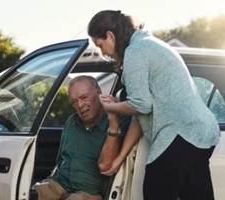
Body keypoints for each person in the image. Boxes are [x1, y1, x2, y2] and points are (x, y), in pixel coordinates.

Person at [87, 10, 221, 200]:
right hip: (202, 133)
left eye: (101, 45)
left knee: (155, 191)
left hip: (180, 134)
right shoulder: (149, 44)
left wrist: (110, 107)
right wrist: (119, 158)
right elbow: (140, 114)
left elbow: (140, 105)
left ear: (110, 35)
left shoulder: (135, 52)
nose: (104, 53)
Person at [33, 75, 131, 200]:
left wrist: (113, 123)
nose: (80, 105)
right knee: (30, 193)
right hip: (60, 183)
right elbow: (60, 160)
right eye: (74, 101)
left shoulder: (119, 121)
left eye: (84, 97)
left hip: (90, 192)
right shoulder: (72, 122)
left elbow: (107, 166)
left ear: (99, 92)